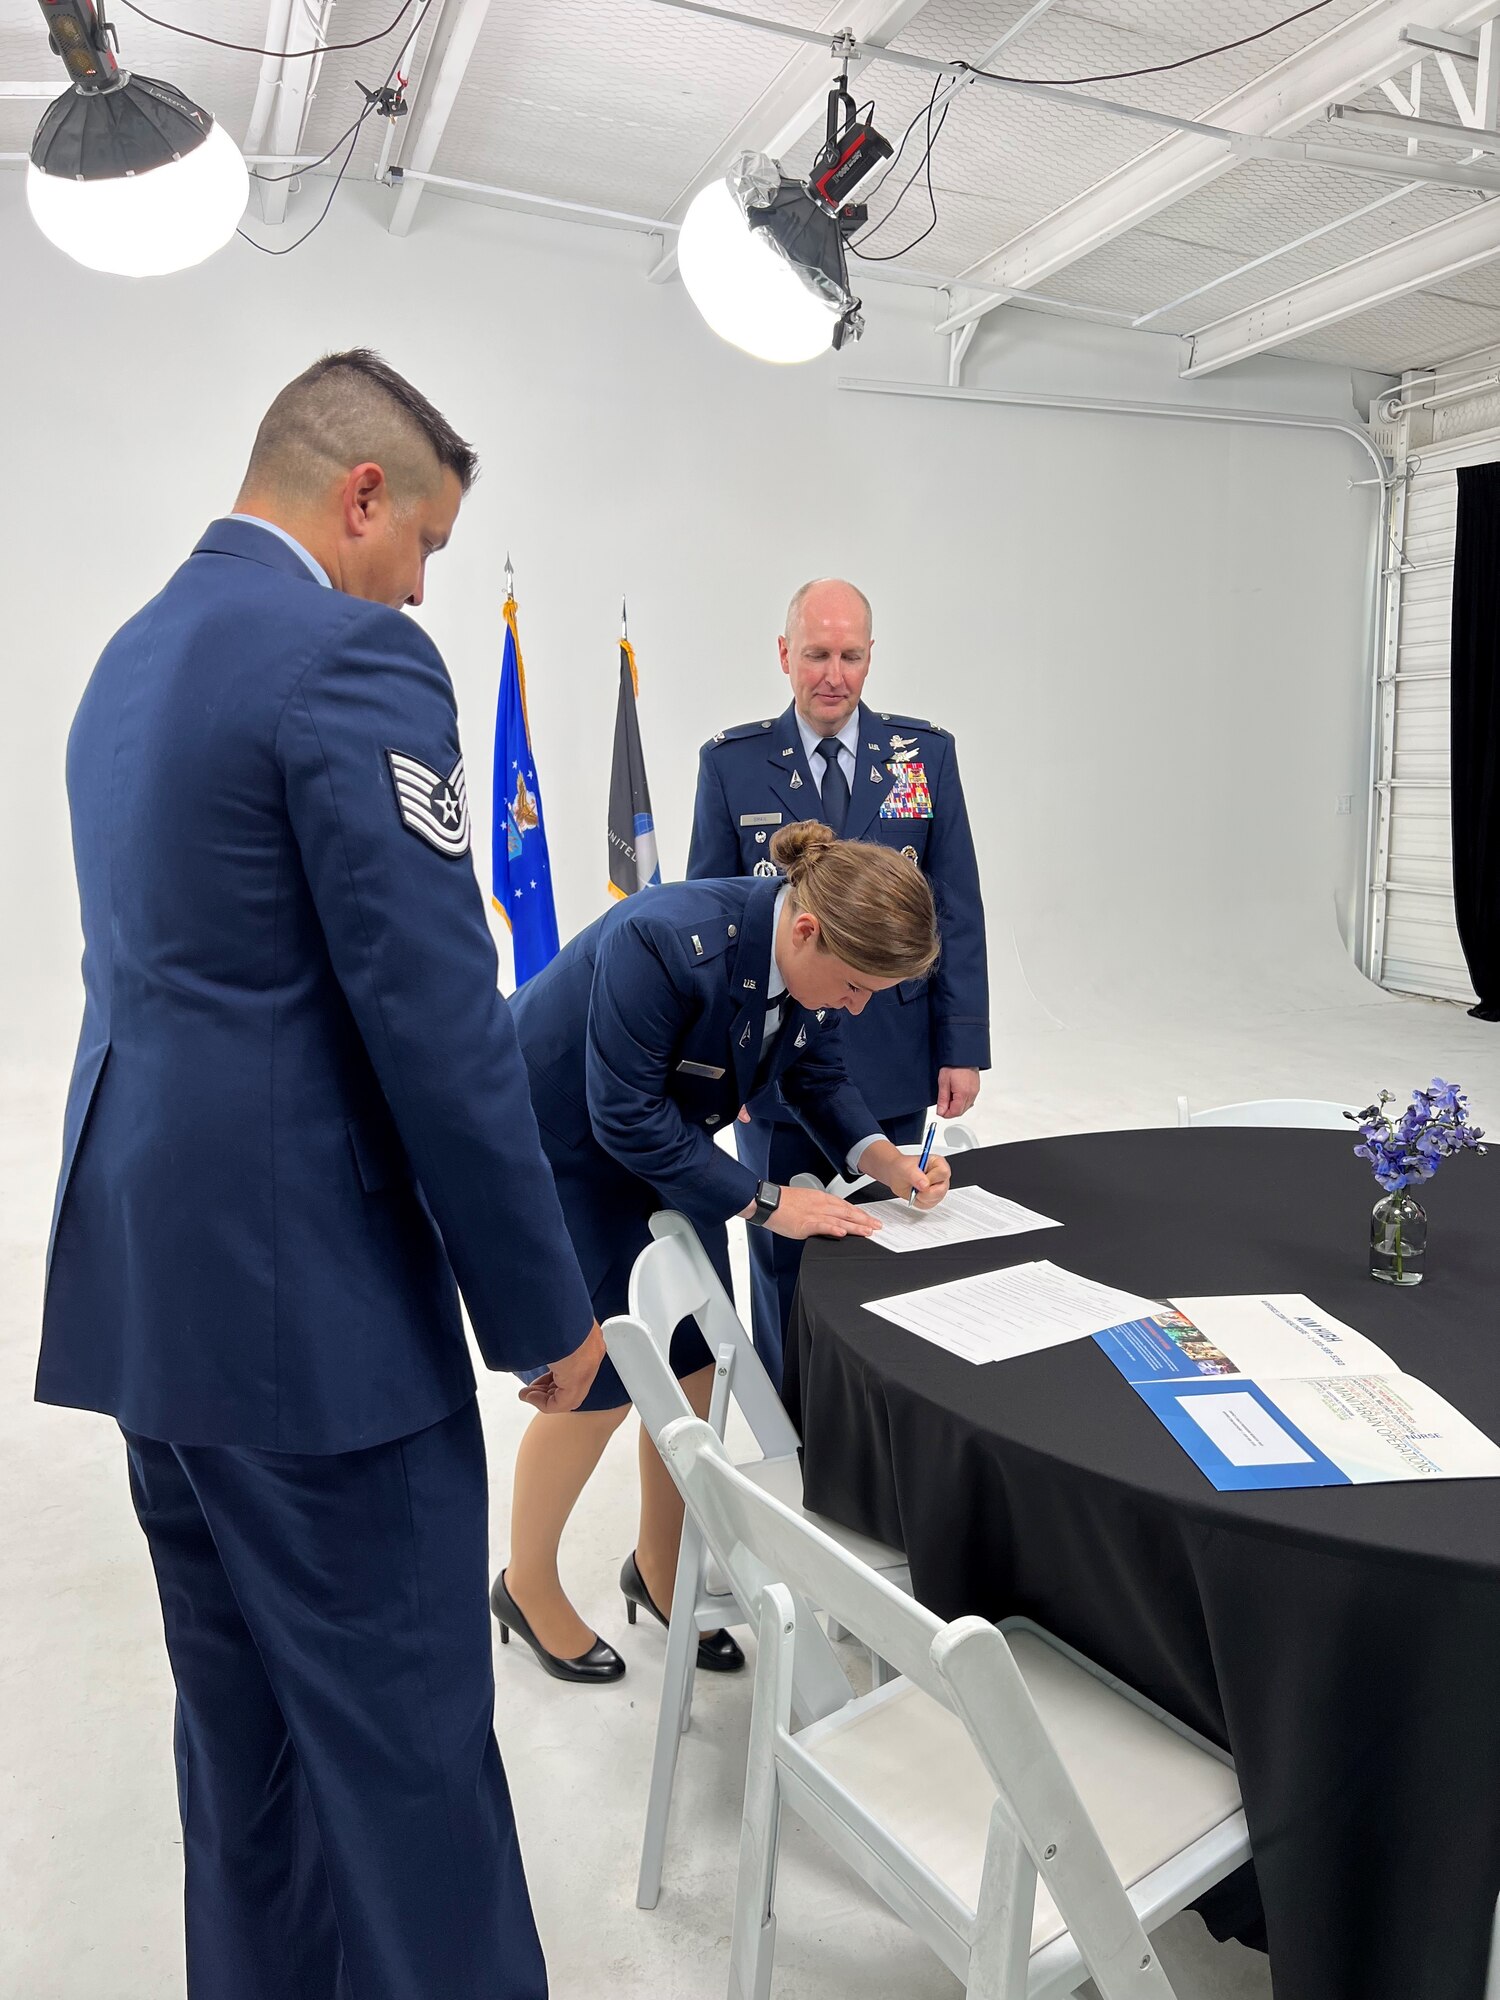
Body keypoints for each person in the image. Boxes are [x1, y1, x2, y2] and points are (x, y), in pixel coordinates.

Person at [36, 350, 605, 2000]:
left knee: (249, 1757)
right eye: (422, 542)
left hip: (157, 1299)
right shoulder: (347, 655)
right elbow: (435, 1022)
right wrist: (541, 1315)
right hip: (316, 1333)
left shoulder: (128, 664)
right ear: (362, 496)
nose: (422, 584)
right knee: (412, 1766)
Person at [492, 823, 952, 1682]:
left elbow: (812, 1072)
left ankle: (662, 1570)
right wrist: (770, 1204)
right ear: (807, 931)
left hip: (669, 1145)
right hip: (561, 1149)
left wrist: (877, 1157)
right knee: (595, 1379)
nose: (854, 1006)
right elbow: (619, 1116)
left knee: (699, 1359)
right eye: (855, 987)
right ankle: (526, 1584)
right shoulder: (661, 942)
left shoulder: (807, 958)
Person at [688, 577, 990, 1385]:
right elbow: (712, 923)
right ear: (785, 655)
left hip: (893, 1049)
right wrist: (727, 1060)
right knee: (787, 1259)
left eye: (850, 656)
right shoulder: (733, 764)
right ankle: (795, 1425)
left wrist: (961, 1046)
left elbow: (954, 908)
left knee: (895, 1244)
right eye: (816, 654)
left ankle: (888, 1414)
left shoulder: (923, 756)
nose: (833, 674)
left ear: (869, 658)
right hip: (775, 1066)